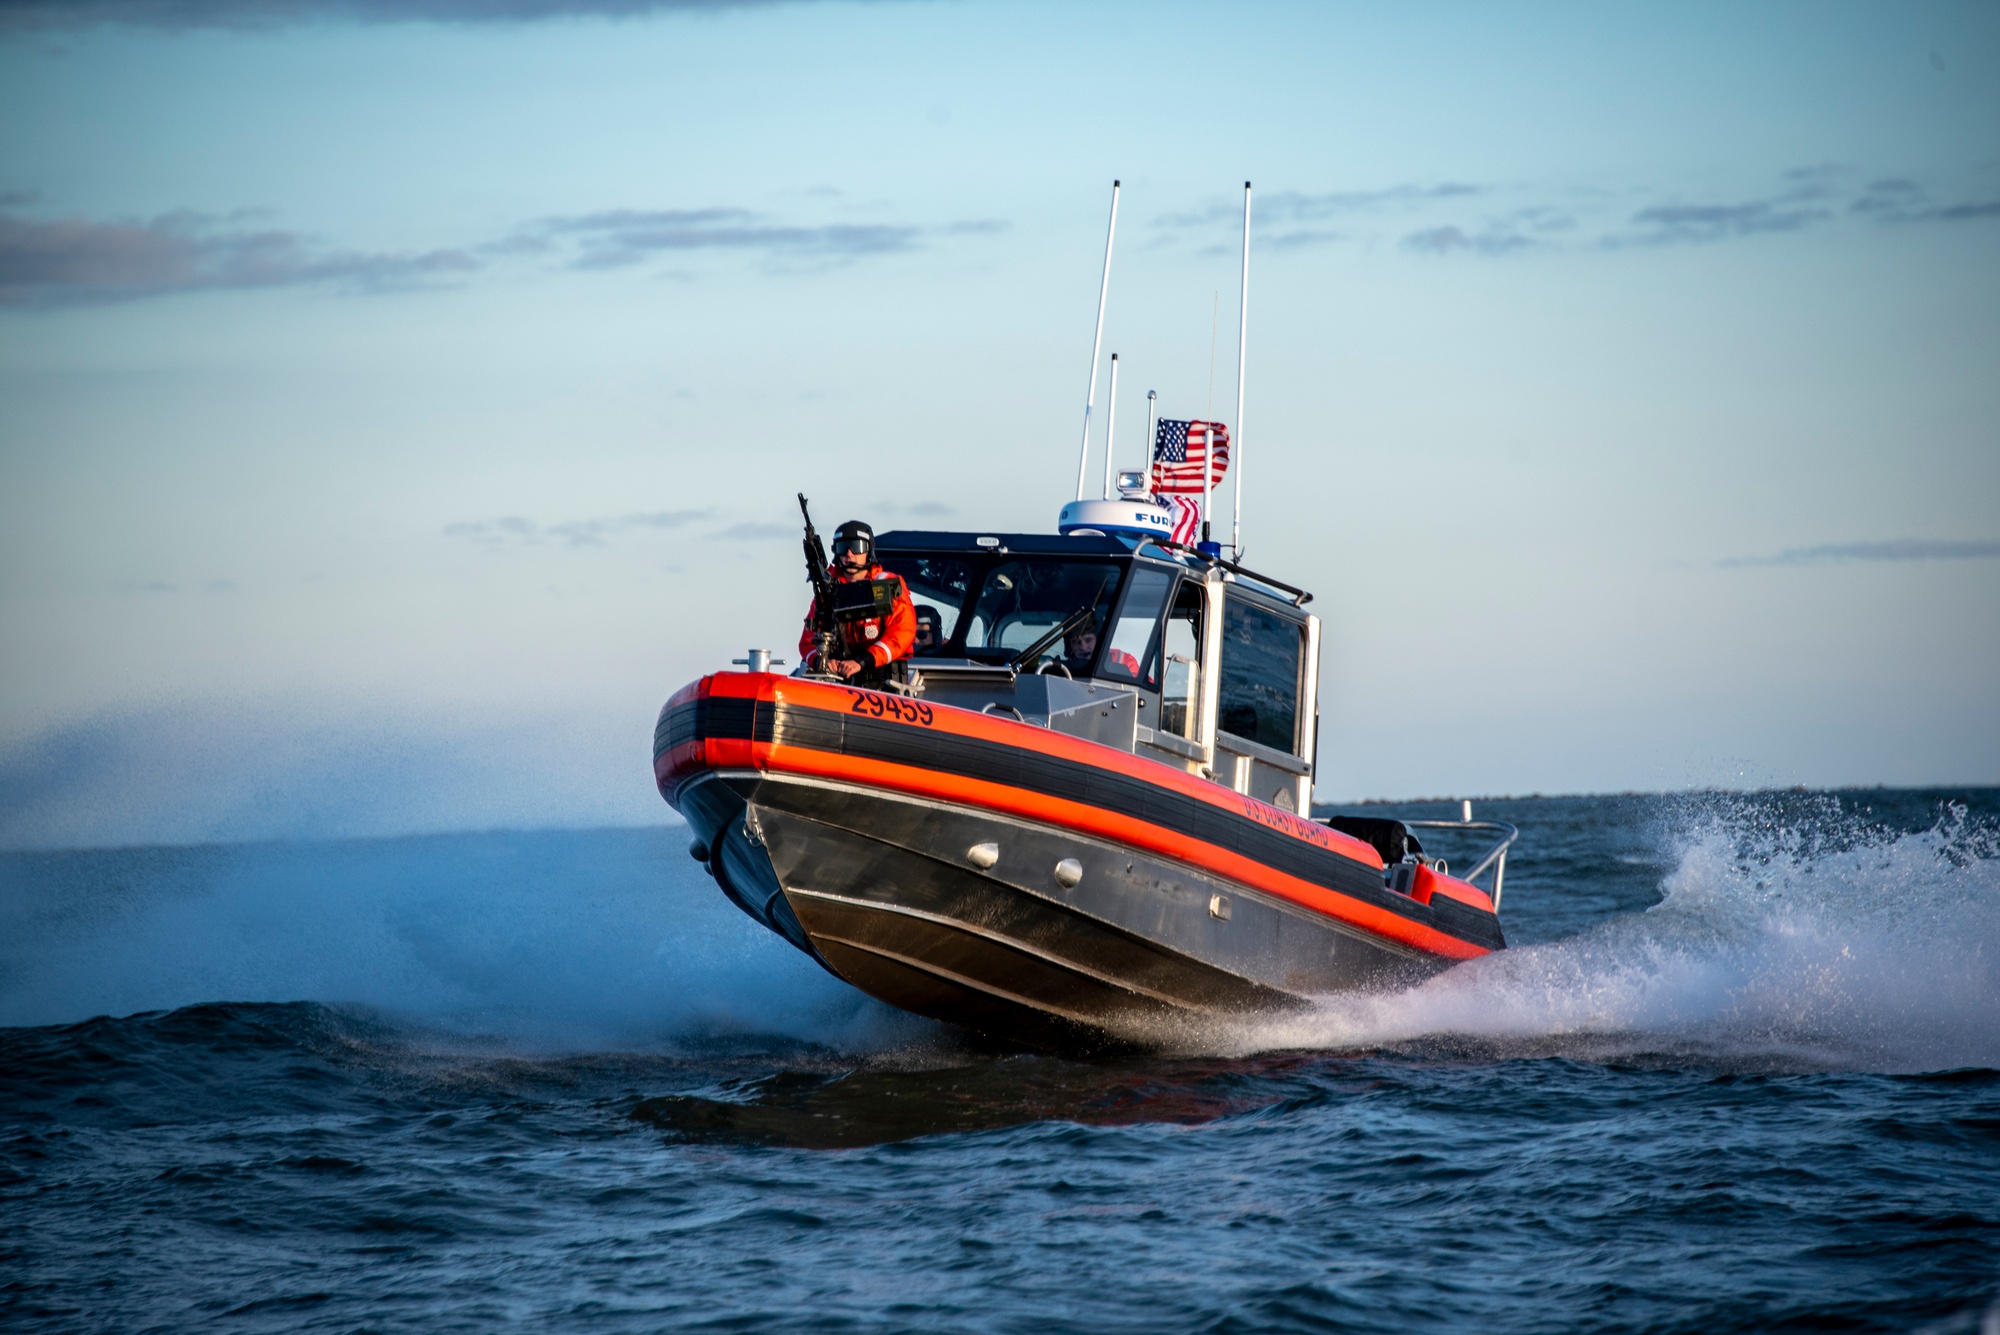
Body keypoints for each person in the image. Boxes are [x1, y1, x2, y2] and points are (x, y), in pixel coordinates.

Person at [799, 519, 916, 680]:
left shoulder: (886, 585)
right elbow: (807, 641)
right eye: (843, 548)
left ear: (869, 550)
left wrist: (862, 661)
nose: (849, 554)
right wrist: (822, 661)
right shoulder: (828, 592)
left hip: (883, 682)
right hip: (839, 679)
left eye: (856, 547)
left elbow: (902, 633)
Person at [1062, 624, 1141, 677]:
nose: (1083, 647)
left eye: (1088, 640)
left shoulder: (1125, 662)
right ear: (1069, 647)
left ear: (1098, 640)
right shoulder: (1060, 669)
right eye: (1076, 642)